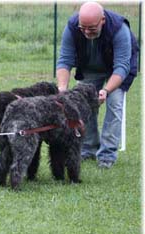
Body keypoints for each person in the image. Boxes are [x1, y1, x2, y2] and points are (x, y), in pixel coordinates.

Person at [56, 1, 139, 169]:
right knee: (83, 106)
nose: (86, 32)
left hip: (116, 70)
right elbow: (64, 60)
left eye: (91, 28)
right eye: (83, 27)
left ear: (102, 20)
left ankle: (107, 155)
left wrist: (106, 90)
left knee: (114, 104)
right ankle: (88, 148)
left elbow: (122, 66)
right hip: (90, 68)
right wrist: (62, 89)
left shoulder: (118, 29)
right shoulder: (72, 27)